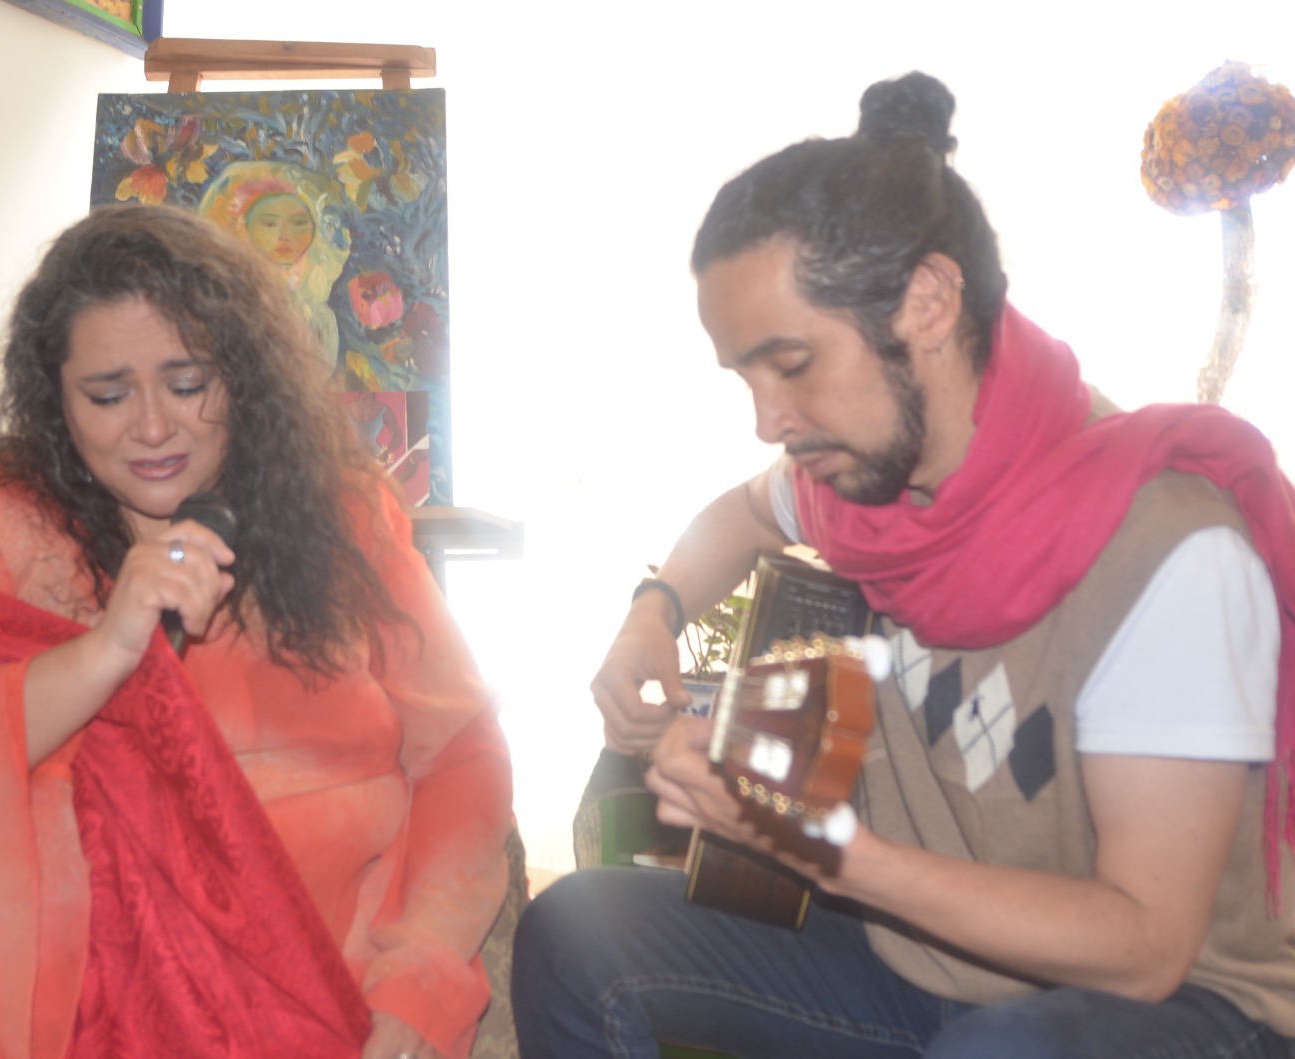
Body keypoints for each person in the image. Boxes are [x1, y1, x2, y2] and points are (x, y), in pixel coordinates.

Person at [511, 71, 1295, 1058]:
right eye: (746, 377)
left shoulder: (1169, 550)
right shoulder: (859, 480)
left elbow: (1143, 947)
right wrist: (655, 610)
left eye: (792, 365)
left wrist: (831, 852)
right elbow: (739, 517)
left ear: (926, 302)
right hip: (923, 963)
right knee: (577, 933)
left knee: (1001, 1053)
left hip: (1177, 1007)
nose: (768, 420)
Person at [0, 203, 513, 1059]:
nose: (153, 427)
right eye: (108, 395)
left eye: (188, 385)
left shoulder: (346, 516)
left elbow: (461, 754)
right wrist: (107, 652)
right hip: (1, 976)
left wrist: (420, 978)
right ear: (55, 398)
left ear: (243, 377)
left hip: (291, 981)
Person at [199, 159, 352, 373]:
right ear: (242, 227)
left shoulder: (319, 315)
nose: (283, 236)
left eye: (298, 223)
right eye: (269, 223)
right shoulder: (229, 305)